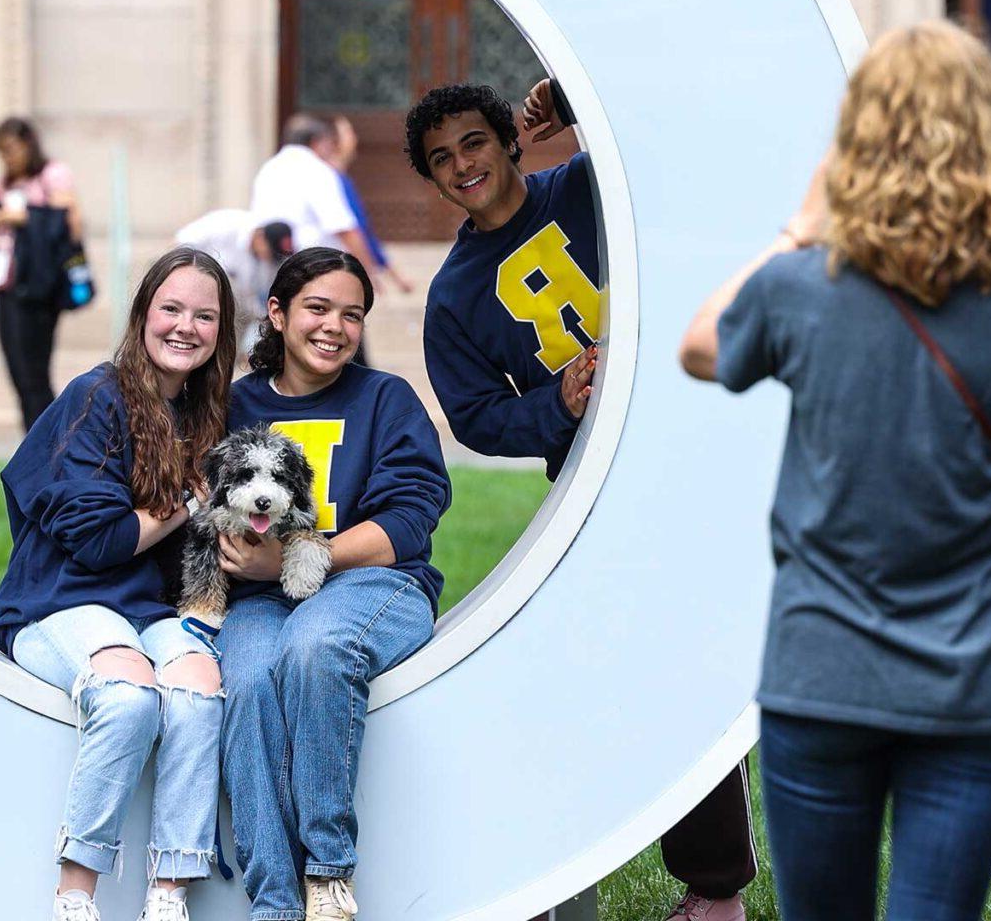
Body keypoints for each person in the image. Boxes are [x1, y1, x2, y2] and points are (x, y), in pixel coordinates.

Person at [676, 21, 991, 921]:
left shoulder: (801, 287)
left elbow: (702, 345)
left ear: (855, 143)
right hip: (974, 683)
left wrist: (799, 226)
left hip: (821, 675)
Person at [405, 79, 758, 920]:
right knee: (628, 668)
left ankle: (715, 891)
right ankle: (580, 862)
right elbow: (477, 417)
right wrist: (554, 406)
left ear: (509, 140)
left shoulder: (588, 184)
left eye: (475, 143)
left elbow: (670, 125)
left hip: (687, 446)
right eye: (442, 158)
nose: (463, 165)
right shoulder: (454, 293)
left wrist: (576, 98)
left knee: (701, 662)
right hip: (597, 487)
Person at [0, 247, 237, 921]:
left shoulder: (207, 412)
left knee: (197, 693)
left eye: (205, 315)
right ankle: (77, 893)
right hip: (61, 602)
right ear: (143, 314)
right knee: (130, 695)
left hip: (146, 610)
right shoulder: (97, 397)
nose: (186, 326)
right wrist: (188, 501)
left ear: (223, 331)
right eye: (172, 309)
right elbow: (99, 542)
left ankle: (168, 894)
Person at [219, 248, 452, 921]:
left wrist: (299, 554)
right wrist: (258, 570)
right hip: (259, 600)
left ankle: (327, 875)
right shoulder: (236, 404)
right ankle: (273, 903)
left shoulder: (384, 399)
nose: (335, 327)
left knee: (316, 646)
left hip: (376, 586)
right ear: (278, 312)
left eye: (352, 315)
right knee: (248, 680)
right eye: (318, 308)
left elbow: (410, 519)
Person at [0, 116, 81, 430]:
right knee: (18, 373)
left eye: (10, 149)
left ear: (28, 142)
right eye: (1, 152)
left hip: (38, 286)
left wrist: (20, 216)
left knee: (34, 372)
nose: (7, 157)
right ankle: (34, 443)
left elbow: (69, 223)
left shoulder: (53, 174)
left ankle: (52, 444)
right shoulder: (5, 183)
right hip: (6, 283)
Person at [249, 115, 389, 284]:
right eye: (329, 144)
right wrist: (368, 271)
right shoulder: (318, 170)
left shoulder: (269, 167)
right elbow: (341, 225)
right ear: (317, 142)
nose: (330, 150)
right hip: (310, 267)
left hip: (268, 260)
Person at [175, 209, 294, 361]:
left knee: (243, 311)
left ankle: (227, 358)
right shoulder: (229, 224)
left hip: (228, 295)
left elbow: (250, 296)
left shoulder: (267, 263)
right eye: (270, 250)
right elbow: (182, 241)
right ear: (260, 236)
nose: (269, 256)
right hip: (193, 276)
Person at [323, 116, 415, 294]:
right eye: (349, 133)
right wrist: (370, 273)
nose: (354, 139)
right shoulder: (330, 180)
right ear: (333, 142)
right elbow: (353, 230)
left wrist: (394, 275)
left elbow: (365, 231)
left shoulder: (340, 178)